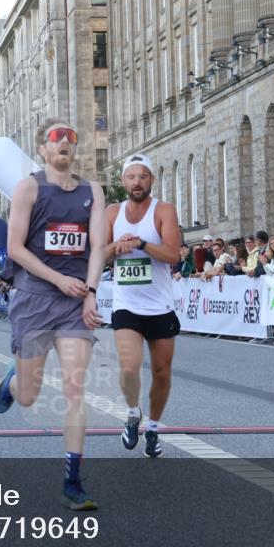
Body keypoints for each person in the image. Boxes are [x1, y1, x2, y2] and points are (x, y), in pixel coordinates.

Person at [0, 118, 106, 511]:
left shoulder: (93, 191)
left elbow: (98, 246)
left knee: (75, 388)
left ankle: (73, 482)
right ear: (42, 149)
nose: (65, 143)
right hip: (36, 297)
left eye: (71, 137)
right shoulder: (29, 187)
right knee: (28, 396)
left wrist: (91, 293)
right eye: (57, 137)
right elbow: (15, 248)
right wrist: (58, 279)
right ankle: (10, 383)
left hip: (75, 302)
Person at [104, 153, 180, 459]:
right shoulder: (112, 212)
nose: (137, 182)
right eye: (131, 177)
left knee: (162, 372)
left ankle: (153, 427)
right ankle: (133, 413)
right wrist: (115, 247)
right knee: (129, 365)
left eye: (143, 176)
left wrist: (142, 244)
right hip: (127, 305)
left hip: (159, 305)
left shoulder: (163, 210)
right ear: (123, 182)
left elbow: (174, 255)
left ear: (151, 180)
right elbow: (97, 254)